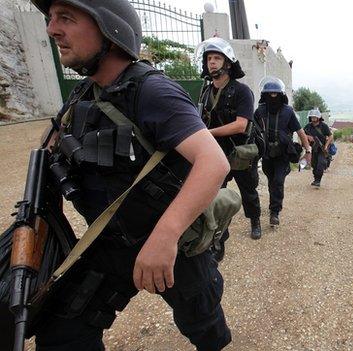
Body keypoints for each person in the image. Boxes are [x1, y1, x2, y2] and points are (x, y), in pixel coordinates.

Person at [30, 0, 232, 349]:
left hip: (171, 246)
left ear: (109, 28)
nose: (52, 30)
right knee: (62, 331)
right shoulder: (83, 93)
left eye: (66, 18)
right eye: (51, 19)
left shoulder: (152, 91)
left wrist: (165, 236)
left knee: (204, 325)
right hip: (109, 242)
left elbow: (213, 163)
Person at [196, 37, 262, 249]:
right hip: (216, 153)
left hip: (240, 152)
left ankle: (255, 221)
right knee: (213, 195)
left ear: (227, 63)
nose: (212, 62)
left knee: (248, 191)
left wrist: (207, 133)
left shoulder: (242, 91)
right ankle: (218, 237)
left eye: (217, 58)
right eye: (208, 58)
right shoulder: (206, 92)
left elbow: (241, 125)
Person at [255, 76, 312, 232]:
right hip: (266, 154)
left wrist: (308, 150)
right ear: (264, 95)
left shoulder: (288, 111)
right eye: (269, 94)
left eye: (275, 94)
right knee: (272, 181)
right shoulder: (260, 111)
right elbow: (251, 131)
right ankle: (274, 203)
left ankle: (275, 212)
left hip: (282, 154)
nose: (272, 96)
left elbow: (300, 131)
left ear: (281, 95)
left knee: (278, 181)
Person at [303, 109, 333, 187]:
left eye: (315, 117)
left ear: (318, 117)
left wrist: (326, 146)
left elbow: (330, 136)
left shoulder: (324, 126)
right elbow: (302, 134)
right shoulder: (308, 126)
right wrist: (308, 136)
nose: (313, 118)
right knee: (314, 164)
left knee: (321, 164)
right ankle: (316, 179)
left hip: (322, 148)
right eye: (312, 117)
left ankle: (318, 180)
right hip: (313, 149)